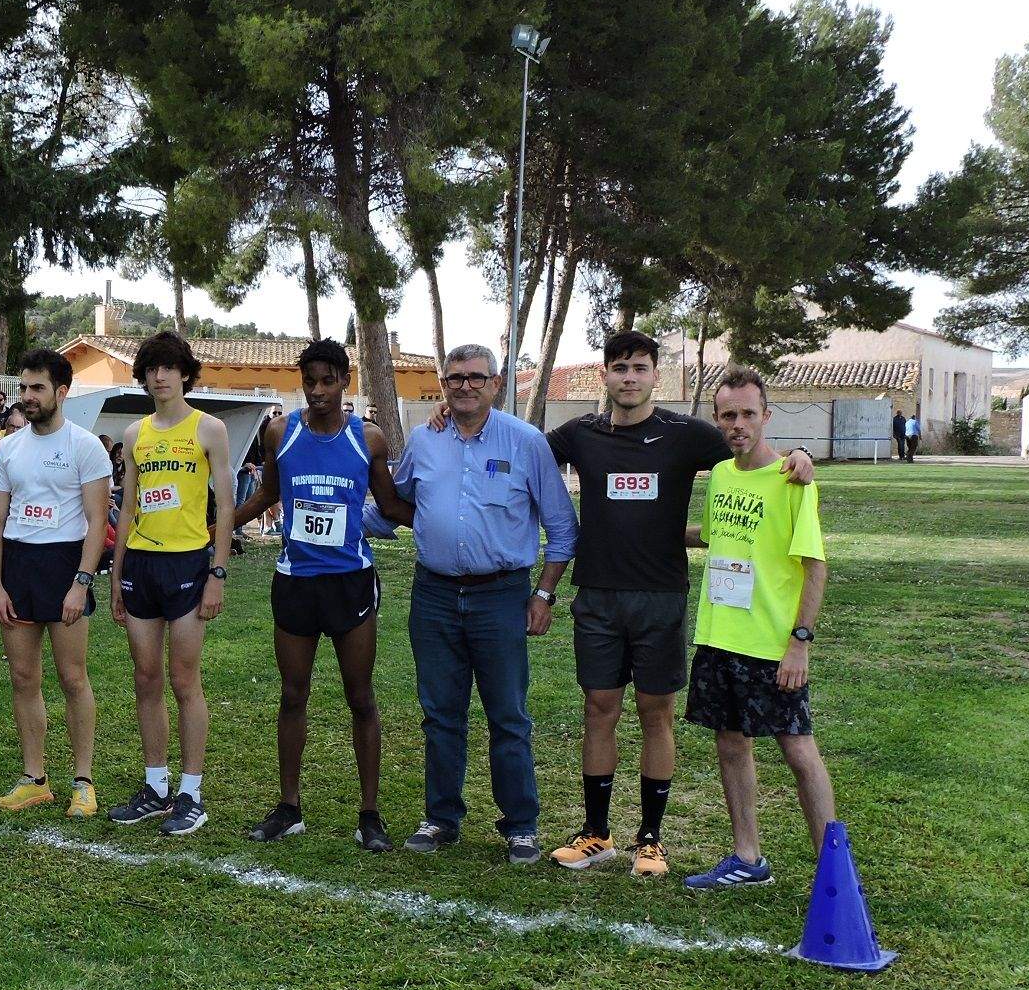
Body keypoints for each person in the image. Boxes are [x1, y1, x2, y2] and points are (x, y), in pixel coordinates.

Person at [527, 331, 813, 878]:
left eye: (639, 367)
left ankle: (651, 840)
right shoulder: (581, 435)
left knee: (655, 714)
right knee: (599, 709)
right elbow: (520, 445)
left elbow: (749, 444)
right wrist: (460, 413)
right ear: (604, 376)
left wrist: (797, 455)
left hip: (661, 597)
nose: (628, 377)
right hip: (598, 596)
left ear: (656, 374)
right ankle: (596, 833)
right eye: (618, 368)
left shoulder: (686, 435)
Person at [374, 343, 577, 864]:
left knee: (508, 715)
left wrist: (545, 594)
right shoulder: (424, 439)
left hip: (503, 596)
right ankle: (441, 819)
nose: (464, 386)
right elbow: (398, 504)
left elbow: (562, 528)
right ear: (445, 383)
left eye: (475, 378)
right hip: (434, 594)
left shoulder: (526, 442)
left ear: (496, 381)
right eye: (455, 378)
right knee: (440, 714)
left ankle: (521, 826)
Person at [232, 340, 410, 851]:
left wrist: (444, 525)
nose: (317, 391)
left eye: (327, 380)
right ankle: (289, 807)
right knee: (293, 695)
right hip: (296, 583)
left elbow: (392, 503)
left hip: (350, 582)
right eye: (309, 381)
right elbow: (266, 494)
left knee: (361, 697)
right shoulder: (280, 432)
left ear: (344, 382)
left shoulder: (367, 439)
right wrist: (217, 529)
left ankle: (369, 814)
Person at [682, 366, 835, 890]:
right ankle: (748, 857)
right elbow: (719, 535)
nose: (738, 423)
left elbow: (814, 565)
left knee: (797, 749)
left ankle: (832, 868)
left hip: (773, 644)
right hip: (720, 636)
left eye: (749, 413)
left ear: (767, 417)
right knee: (730, 743)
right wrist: (651, 534)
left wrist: (800, 642)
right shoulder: (722, 476)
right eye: (729, 415)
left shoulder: (793, 479)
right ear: (718, 420)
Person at [106, 330, 234, 837]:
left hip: (188, 567)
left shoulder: (210, 430)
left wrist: (217, 574)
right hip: (140, 566)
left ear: (185, 373)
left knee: (184, 680)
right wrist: (116, 577)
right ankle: (155, 787)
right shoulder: (136, 434)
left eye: (167, 367)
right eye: (150, 369)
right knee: (146, 679)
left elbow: (224, 506)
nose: (158, 377)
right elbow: (130, 506)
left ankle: (191, 793)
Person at [0, 348, 113, 817]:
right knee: (23, 677)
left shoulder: (86, 446)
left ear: (61, 392)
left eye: (37, 388)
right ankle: (34, 778)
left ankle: (83, 781)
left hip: (65, 566)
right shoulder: (8, 447)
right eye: (23, 387)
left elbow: (98, 522)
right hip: (18, 567)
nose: (27, 396)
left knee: (72, 677)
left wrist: (81, 583)